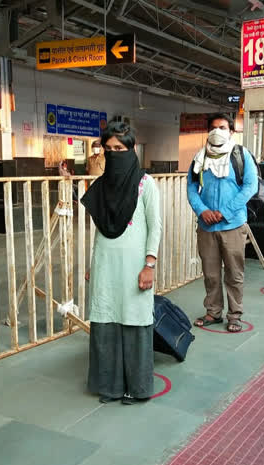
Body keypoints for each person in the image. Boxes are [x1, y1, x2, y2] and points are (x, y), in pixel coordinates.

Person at [82, 121, 161, 405]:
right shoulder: (100, 186)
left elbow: (156, 227)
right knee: (106, 320)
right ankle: (110, 386)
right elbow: (100, 230)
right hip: (106, 264)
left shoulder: (145, 183)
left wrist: (149, 264)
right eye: (108, 148)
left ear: (131, 149)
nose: (113, 153)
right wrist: (94, 263)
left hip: (135, 267)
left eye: (119, 148)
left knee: (134, 320)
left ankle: (136, 387)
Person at [187, 113, 258, 333]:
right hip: (207, 225)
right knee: (210, 273)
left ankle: (234, 315)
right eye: (214, 127)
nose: (218, 131)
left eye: (223, 127)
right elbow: (191, 187)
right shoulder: (200, 157)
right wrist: (202, 210)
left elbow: (250, 186)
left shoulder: (241, 155)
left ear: (231, 131)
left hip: (233, 225)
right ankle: (213, 312)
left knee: (234, 273)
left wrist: (224, 212)